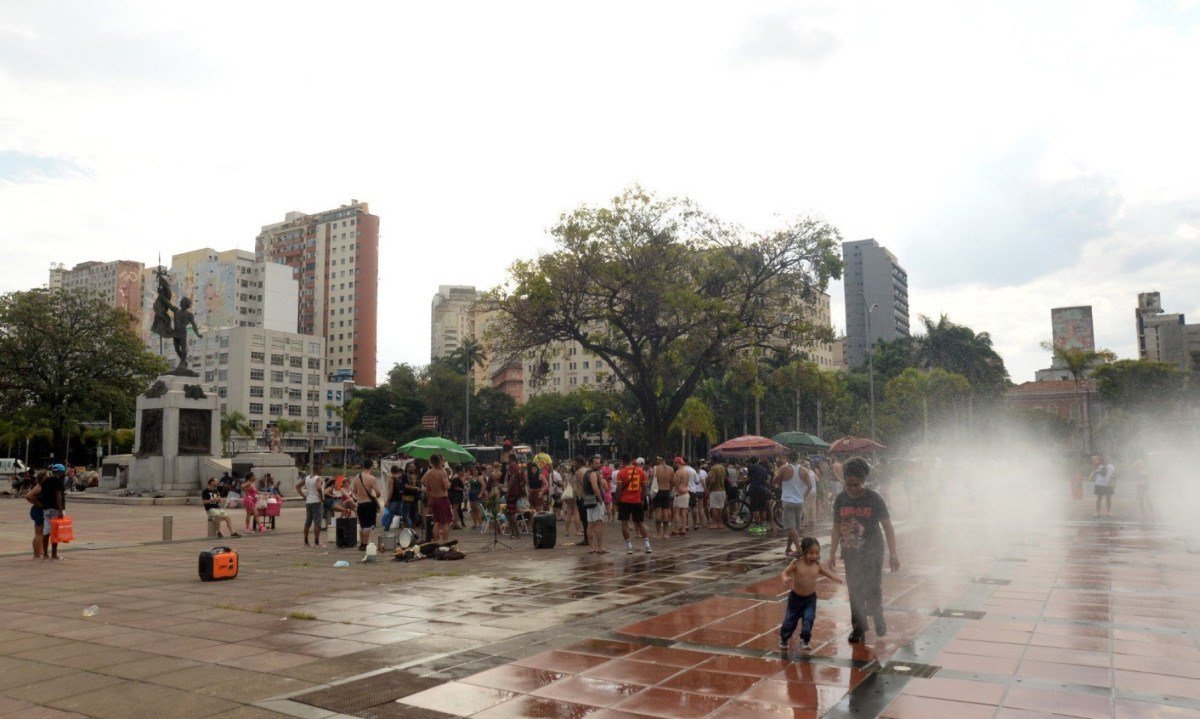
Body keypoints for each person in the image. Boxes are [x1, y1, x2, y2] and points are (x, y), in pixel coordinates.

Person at [827, 457, 900, 643]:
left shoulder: (874, 498)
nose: (851, 489)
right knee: (855, 589)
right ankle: (858, 628)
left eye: (856, 485)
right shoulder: (841, 499)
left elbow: (888, 527)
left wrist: (893, 554)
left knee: (873, 586)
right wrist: (832, 553)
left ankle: (878, 616)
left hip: (873, 550)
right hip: (851, 551)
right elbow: (836, 527)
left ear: (863, 481)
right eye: (848, 484)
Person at [780, 537, 843, 651]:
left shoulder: (817, 565)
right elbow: (784, 572)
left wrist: (835, 578)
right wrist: (785, 577)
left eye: (817, 553)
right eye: (811, 553)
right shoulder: (796, 563)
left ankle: (805, 640)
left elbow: (826, 572)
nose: (814, 556)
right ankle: (784, 638)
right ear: (804, 552)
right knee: (789, 621)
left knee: (808, 620)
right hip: (795, 598)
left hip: (810, 599)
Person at [777, 452, 815, 557]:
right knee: (794, 527)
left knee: (791, 527)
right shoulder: (804, 470)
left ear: (788, 458)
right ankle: (788, 548)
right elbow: (810, 486)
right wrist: (803, 496)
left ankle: (799, 548)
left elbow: (776, 480)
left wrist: (781, 486)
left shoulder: (784, 468)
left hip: (788, 500)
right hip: (799, 502)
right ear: (798, 458)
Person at [616, 453, 652, 554]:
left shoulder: (621, 472)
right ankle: (647, 545)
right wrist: (642, 499)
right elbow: (644, 487)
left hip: (624, 500)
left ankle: (629, 546)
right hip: (637, 500)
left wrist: (616, 501)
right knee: (640, 523)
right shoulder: (640, 471)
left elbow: (619, 488)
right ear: (631, 460)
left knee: (625, 523)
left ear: (622, 461)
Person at [423, 454, 453, 544]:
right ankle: (445, 543)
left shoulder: (428, 473)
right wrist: (449, 479)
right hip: (442, 499)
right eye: (443, 460)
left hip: (433, 499)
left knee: (436, 522)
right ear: (440, 461)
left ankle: (435, 543)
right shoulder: (442, 472)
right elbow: (446, 486)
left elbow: (427, 490)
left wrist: (429, 503)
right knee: (445, 522)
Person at [352, 461, 380, 550]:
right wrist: (374, 496)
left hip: (360, 504)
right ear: (371, 466)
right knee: (368, 526)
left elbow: (354, 491)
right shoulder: (371, 478)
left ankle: (361, 544)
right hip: (369, 504)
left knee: (362, 525)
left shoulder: (357, 476)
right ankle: (365, 545)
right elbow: (378, 493)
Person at [41, 464, 67, 560]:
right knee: (55, 532)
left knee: (46, 530)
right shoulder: (58, 481)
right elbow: (58, 496)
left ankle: (45, 554)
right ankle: (54, 554)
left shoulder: (45, 481)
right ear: (61, 472)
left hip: (46, 508)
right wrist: (60, 511)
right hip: (55, 509)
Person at [583, 455, 608, 554]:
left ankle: (591, 547)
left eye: (599, 463)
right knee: (599, 523)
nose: (599, 465)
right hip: (596, 501)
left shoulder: (586, 473)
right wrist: (601, 500)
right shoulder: (593, 473)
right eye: (596, 463)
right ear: (591, 464)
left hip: (588, 500)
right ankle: (600, 546)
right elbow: (595, 488)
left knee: (590, 524)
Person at [296, 468, 324, 546]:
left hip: (308, 501)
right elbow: (319, 488)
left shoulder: (307, 478)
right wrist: (321, 498)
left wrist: (304, 496)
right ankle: (316, 542)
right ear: (319, 469)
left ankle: (306, 541)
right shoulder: (318, 478)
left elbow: (297, 487)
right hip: (317, 501)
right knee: (317, 522)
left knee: (308, 522)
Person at [746, 457, 772, 534]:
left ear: (751, 462)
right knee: (763, 508)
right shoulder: (763, 469)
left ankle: (757, 526)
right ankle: (763, 526)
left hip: (754, 489)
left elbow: (748, 478)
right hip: (763, 489)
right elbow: (766, 480)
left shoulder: (751, 467)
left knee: (755, 508)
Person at [671, 457, 693, 537]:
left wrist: (673, 481)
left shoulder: (678, 472)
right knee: (683, 513)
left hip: (679, 493)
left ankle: (676, 530)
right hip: (686, 492)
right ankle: (683, 529)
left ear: (677, 463)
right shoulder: (687, 471)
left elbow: (676, 483)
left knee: (676, 512)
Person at [652, 457, 673, 540]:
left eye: (657, 459)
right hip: (667, 491)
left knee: (658, 512)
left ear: (660, 459)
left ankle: (658, 534)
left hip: (658, 491)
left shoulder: (656, 468)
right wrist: (669, 489)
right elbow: (672, 482)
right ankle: (665, 533)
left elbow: (652, 481)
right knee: (666, 512)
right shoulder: (671, 469)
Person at [381, 464, 406, 532]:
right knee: (403, 514)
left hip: (393, 501)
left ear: (391, 471)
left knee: (390, 515)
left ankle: (386, 529)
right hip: (400, 500)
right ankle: (408, 526)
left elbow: (391, 492)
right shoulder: (399, 478)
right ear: (397, 471)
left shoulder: (391, 479)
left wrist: (387, 501)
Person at [26, 472, 44, 559]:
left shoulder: (41, 486)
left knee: (42, 533)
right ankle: (37, 554)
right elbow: (28, 496)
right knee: (39, 533)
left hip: (39, 510)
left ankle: (40, 552)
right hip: (38, 511)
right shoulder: (40, 486)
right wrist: (37, 503)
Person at [707, 461, 728, 528]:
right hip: (722, 490)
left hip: (715, 490)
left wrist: (709, 488)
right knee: (721, 507)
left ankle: (715, 523)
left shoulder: (713, 468)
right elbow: (725, 478)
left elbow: (713, 480)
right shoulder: (723, 468)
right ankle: (720, 523)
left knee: (714, 507)